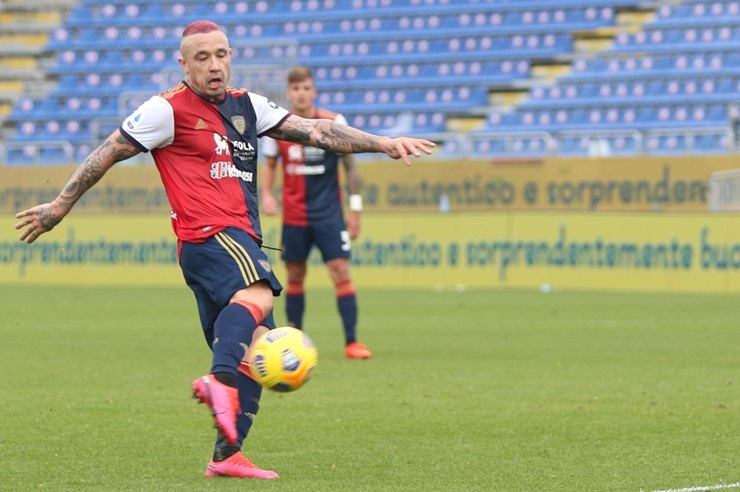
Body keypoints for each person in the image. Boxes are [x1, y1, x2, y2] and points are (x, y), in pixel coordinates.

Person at [14, 20, 433, 480]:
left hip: (236, 240)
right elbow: (106, 152)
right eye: (202, 58)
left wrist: (384, 144)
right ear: (183, 63)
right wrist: (60, 204)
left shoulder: (247, 105)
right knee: (258, 296)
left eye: (221, 54)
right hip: (209, 235)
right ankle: (218, 379)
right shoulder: (164, 110)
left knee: (258, 350)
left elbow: (317, 132)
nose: (214, 66)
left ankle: (226, 454)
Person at [261, 66, 371, 360]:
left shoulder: (334, 122)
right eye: (296, 89)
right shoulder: (277, 126)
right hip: (294, 216)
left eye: (306, 88)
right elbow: (270, 165)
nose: (301, 93)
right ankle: (293, 342)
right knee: (295, 275)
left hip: (329, 216)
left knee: (341, 271)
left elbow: (351, 169)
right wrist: (268, 194)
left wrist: (355, 211)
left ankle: (352, 342)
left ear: (314, 91)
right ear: (289, 93)